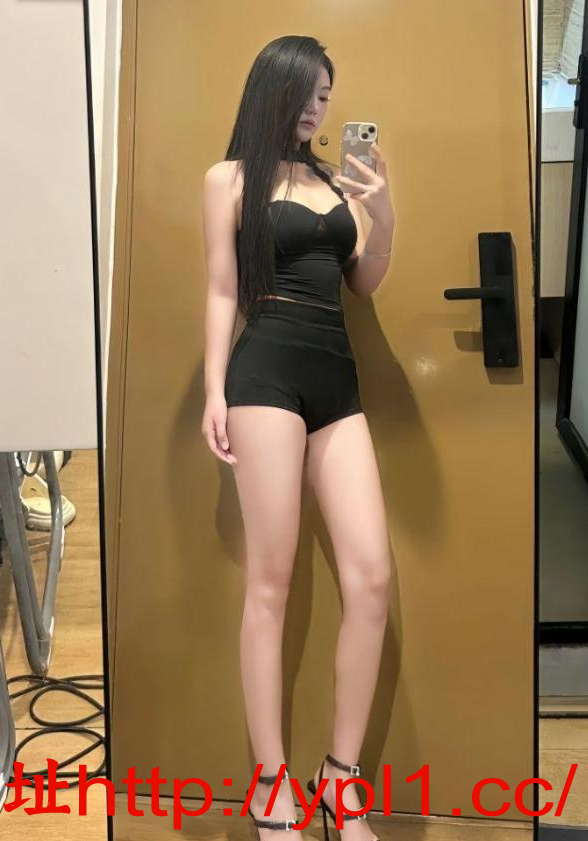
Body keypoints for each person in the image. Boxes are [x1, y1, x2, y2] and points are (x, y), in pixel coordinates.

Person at [202, 34, 396, 841]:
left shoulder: (337, 180)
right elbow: (222, 289)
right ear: (275, 88)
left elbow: (365, 280)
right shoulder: (228, 179)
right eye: (310, 92)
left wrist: (383, 213)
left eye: (327, 95)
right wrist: (214, 389)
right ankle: (271, 784)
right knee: (270, 585)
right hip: (266, 380)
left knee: (372, 580)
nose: (320, 108)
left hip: (336, 384)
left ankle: (341, 783)